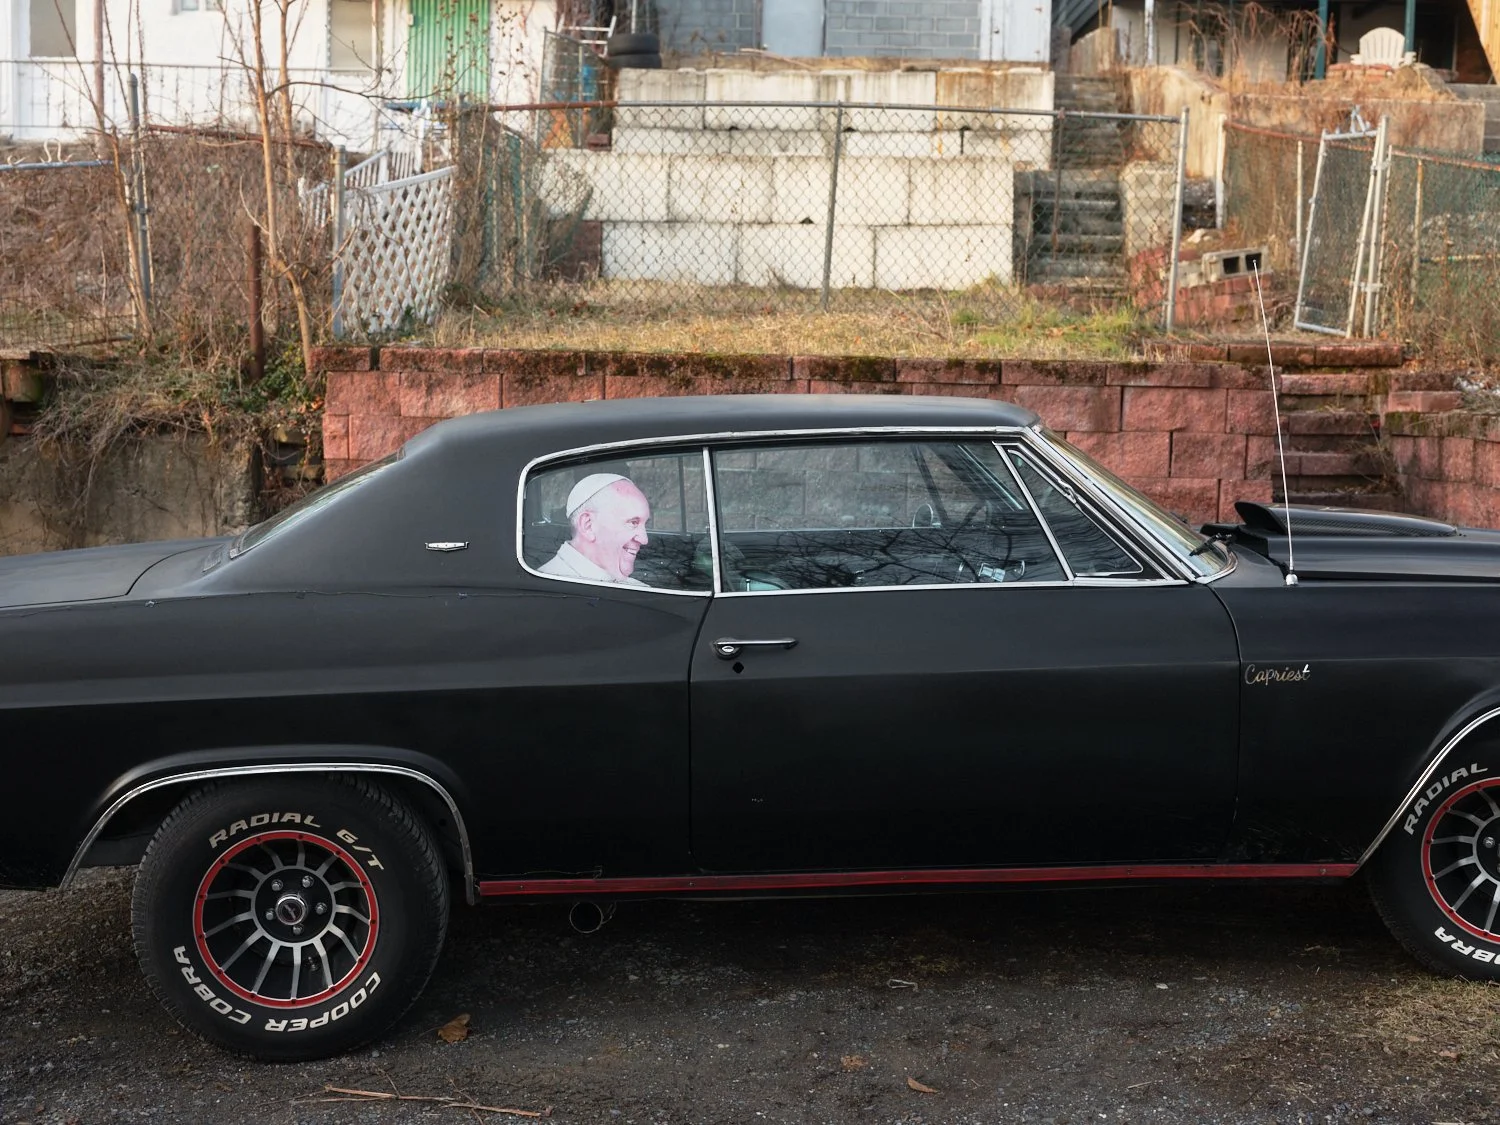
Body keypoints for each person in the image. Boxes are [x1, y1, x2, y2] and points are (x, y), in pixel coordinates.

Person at [539, 473, 652, 586]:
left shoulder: (639, 588)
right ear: (588, 525)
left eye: (645, 524)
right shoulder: (547, 587)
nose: (644, 540)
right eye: (633, 523)